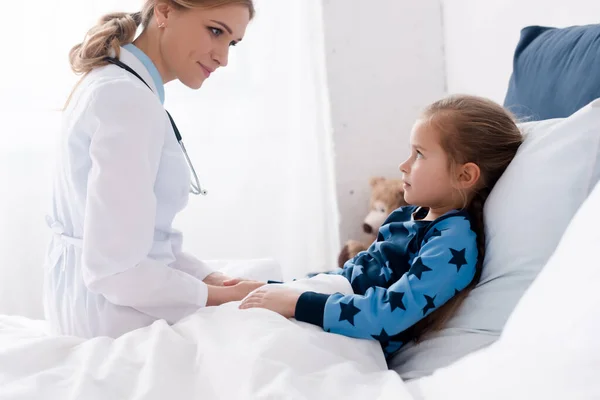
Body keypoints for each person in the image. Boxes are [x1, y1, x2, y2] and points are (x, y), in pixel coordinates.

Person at [43, 0, 266, 339]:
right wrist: (219, 297)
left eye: (231, 42)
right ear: (164, 11)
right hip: (113, 324)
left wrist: (209, 279)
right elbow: (115, 270)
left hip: (91, 306)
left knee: (265, 284)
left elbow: (146, 242)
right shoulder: (126, 98)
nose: (223, 57)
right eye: (215, 31)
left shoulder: (118, 85)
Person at [240, 95, 524, 358]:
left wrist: (297, 302)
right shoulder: (407, 215)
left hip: (353, 336)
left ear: (464, 175)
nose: (403, 165)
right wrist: (288, 288)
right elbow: (354, 273)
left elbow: (387, 314)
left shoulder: (452, 243)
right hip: (332, 304)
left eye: (419, 154)